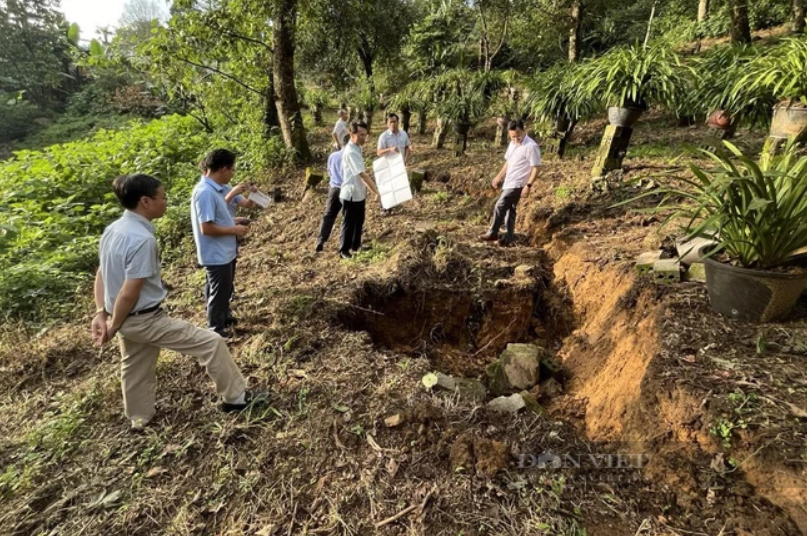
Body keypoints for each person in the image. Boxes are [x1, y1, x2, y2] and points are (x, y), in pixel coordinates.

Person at [91, 173, 268, 430]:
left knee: (135, 367)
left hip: (127, 319)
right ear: (145, 202)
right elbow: (130, 291)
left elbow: (101, 273)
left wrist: (101, 312)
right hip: (142, 318)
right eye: (162, 197)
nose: (166, 201)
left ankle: (139, 419)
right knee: (212, 343)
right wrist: (113, 325)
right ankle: (236, 398)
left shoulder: (114, 230)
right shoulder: (142, 240)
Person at [191, 149, 248, 337]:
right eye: (232, 169)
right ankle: (215, 327)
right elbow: (206, 228)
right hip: (216, 254)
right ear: (223, 169)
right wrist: (234, 229)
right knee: (218, 290)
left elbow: (217, 219)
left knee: (224, 288)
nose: (233, 173)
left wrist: (234, 221)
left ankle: (224, 316)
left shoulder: (214, 190)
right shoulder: (205, 193)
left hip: (225, 250)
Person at [479, 120, 541, 246]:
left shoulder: (531, 146)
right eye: (512, 136)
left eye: (518, 135)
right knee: (509, 209)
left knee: (500, 205)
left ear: (524, 130)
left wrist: (528, 185)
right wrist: (498, 177)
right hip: (509, 181)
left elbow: (536, 167)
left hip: (518, 184)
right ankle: (509, 237)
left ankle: (493, 232)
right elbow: (508, 162)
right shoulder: (512, 144)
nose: (516, 138)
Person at [340, 120, 379, 259]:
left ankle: (356, 246)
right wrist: (376, 191)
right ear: (352, 134)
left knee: (359, 221)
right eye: (361, 135)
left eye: (365, 135)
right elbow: (362, 175)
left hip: (359, 192)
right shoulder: (351, 151)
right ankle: (344, 250)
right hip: (350, 193)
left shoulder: (357, 147)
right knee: (348, 223)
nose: (364, 138)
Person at [223, 181, 257, 309]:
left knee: (230, 266)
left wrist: (252, 194)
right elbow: (216, 210)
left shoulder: (228, 188)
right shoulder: (209, 192)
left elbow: (248, 204)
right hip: (219, 233)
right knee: (218, 274)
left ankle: (229, 297)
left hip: (231, 233)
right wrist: (231, 194)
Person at [315, 136, 348, 252]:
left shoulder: (333, 156)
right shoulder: (350, 157)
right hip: (346, 189)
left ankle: (321, 240)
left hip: (333, 189)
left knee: (328, 215)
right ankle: (343, 244)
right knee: (346, 218)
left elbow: (329, 171)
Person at [376, 112, 412, 216]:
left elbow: (407, 147)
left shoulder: (403, 134)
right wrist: (390, 149)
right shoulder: (383, 137)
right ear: (387, 123)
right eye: (390, 122)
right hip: (387, 165)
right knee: (386, 187)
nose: (393, 124)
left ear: (398, 122)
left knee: (396, 186)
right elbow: (379, 152)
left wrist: (405, 160)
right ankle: (383, 208)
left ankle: (393, 206)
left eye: (394, 122)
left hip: (400, 164)